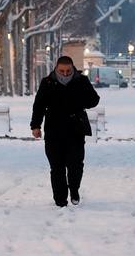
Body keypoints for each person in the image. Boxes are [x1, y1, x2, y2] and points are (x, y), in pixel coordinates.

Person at [30, 56, 101, 207]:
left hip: (75, 129)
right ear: (56, 69)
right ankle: (60, 199)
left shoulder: (81, 81)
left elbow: (94, 100)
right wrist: (35, 125)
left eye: (68, 71)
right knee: (57, 167)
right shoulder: (47, 82)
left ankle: (74, 189)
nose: (65, 73)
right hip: (53, 129)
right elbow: (39, 106)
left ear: (73, 68)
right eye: (62, 71)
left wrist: (81, 98)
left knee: (75, 164)